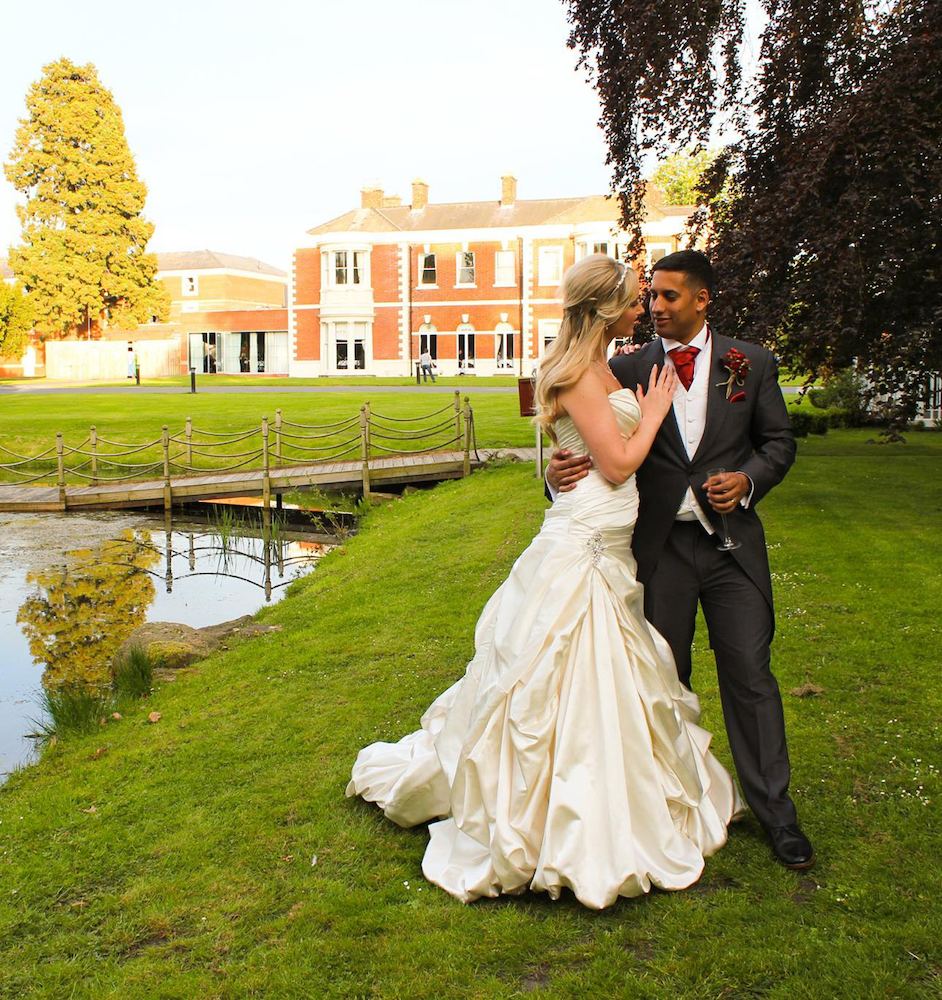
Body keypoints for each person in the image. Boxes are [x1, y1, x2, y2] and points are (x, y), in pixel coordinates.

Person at [347, 254, 741, 908]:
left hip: (600, 533)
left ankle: (600, 794)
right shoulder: (581, 373)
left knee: (597, 666)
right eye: (633, 301)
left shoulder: (593, 366)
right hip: (588, 536)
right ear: (607, 307)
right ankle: (564, 818)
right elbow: (615, 466)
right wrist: (650, 415)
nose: (643, 308)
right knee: (566, 668)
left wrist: (573, 459)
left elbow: (580, 452)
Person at [545, 249, 811, 871]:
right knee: (662, 680)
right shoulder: (621, 366)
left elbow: (778, 442)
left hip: (731, 548)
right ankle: (673, 804)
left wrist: (747, 480)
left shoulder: (752, 362)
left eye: (667, 297)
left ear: (701, 299)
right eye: (649, 297)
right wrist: (557, 476)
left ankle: (778, 815)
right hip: (655, 549)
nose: (654, 308)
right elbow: (587, 453)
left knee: (750, 674)